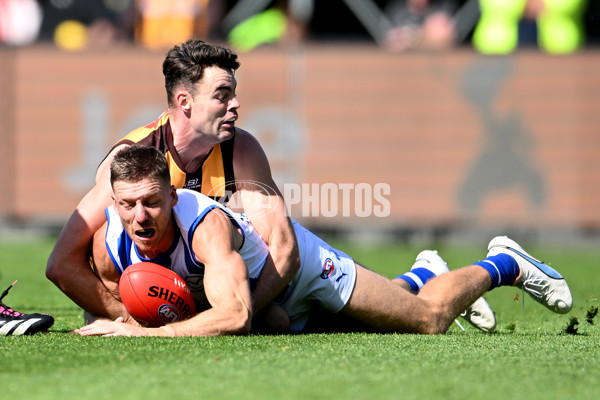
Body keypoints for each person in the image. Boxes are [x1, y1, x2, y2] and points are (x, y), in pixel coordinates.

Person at [74, 146, 572, 337]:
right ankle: (422, 275)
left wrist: (148, 334)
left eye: (152, 202)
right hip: (264, 298)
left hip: (302, 269)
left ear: (172, 192)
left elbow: (236, 316)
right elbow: (130, 303)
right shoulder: (108, 246)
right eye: (127, 204)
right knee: (349, 323)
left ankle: (505, 262)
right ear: (112, 204)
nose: (140, 216)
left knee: (427, 321)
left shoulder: (204, 227)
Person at [45, 40, 300, 331]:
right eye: (222, 95)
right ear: (184, 101)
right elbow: (61, 262)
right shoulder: (133, 159)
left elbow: (284, 246)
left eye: (234, 94)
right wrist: (130, 318)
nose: (236, 105)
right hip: (157, 282)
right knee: (101, 236)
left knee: (275, 318)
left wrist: (240, 310)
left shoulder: (239, 147)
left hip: (217, 276)